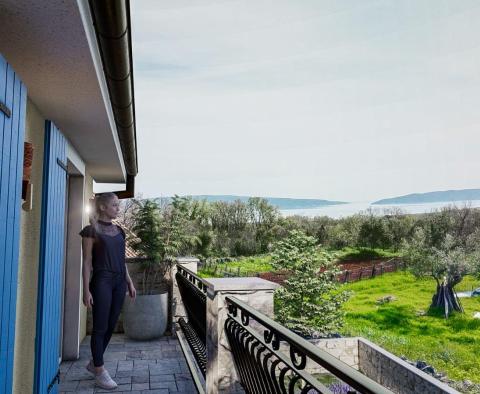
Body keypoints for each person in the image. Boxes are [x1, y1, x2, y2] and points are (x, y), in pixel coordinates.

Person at [80, 192, 136, 390]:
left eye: (118, 205)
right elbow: (87, 263)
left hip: (119, 281)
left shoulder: (120, 231)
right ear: (102, 207)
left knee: (111, 324)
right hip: (102, 281)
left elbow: (122, 260)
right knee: (100, 327)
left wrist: (129, 282)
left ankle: (94, 363)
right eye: (114, 205)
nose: (118, 208)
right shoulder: (90, 231)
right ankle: (100, 371)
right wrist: (85, 290)